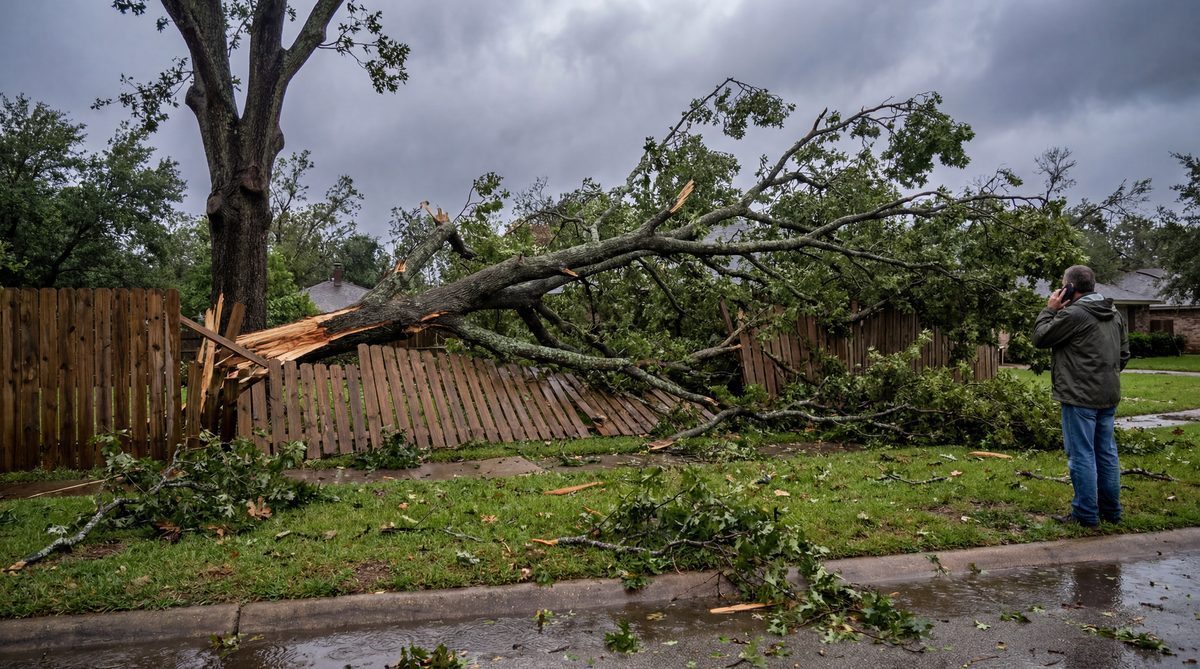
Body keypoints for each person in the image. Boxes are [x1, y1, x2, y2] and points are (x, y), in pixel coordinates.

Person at [1031, 265, 1130, 527]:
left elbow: (1041, 338)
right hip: (1108, 394)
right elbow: (1124, 355)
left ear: (1070, 287)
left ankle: (1085, 515)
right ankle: (1111, 512)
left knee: (1082, 454)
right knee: (1106, 453)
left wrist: (1050, 310)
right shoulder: (1114, 312)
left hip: (1079, 396)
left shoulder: (1075, 314)